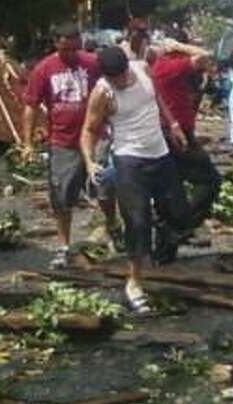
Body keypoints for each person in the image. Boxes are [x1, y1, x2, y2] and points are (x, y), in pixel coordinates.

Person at [80, 46, 190, 313]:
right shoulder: (103, 93)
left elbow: (157, 99)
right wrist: (90, 162)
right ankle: (134, 282)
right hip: (129, 159)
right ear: (107, 76)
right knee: (137, 222)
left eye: (122, 74)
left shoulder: (142, 69)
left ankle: (158, 240)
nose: (120, 81)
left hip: (159, 153)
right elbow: (89, 129)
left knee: (179, 214)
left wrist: (173, 125)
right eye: (114, 77)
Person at [22, 23, 121, 268]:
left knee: (104, 187)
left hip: (96, 137)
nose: (71, 54)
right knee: (62, 196)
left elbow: (115, 87)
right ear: (56, 43)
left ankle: (113, 225)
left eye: (75, 48)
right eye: (66, 49)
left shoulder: (92, 63)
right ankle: (64, 246)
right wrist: (27, 143)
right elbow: (30, 106)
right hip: (63, 143)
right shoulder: (44, 70)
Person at [151, 29, 221, 236]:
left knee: (174, 186)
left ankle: (169, 231)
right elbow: (207, 55)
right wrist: (180, 46)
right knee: (210, 180)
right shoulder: (172, 66)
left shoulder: (160, 66)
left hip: (169, 132)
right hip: (177, 134)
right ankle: (182, 226)